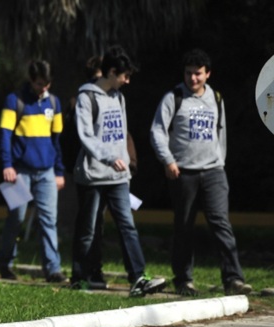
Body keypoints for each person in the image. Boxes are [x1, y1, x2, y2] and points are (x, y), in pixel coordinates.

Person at [148, 49, 252, 297]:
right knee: (184, 226)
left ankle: (233, 279)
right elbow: (157, 131)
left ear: (207, 74)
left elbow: (221, 132)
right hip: (183, 173)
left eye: (198, 74)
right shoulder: (174, 97)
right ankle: (184, 280)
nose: (193, 78)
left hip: (214, 171)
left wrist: (220, 162)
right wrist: (168, 160)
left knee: (221, 224)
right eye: (188, 73)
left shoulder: (216, 97)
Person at [69, 45, 166, 297]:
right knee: (88, 230)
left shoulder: (119, 97)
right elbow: (86, 136)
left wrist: (125, 164)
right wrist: (109, 158)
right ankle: (80, 277)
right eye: (125, 76)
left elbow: (121, 135)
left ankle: (138, 278)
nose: (127, 81)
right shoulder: (86, 97)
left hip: (119, 177)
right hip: (93, 176)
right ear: (111, 72)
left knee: (127, 225)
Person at [0, 60, 65, 282]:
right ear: (31, 80)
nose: (43, 88)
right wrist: (7, 164)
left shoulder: (54, 102)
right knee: (16, 218)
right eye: (39, 84)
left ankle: (53, 269)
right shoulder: (14, 100)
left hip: (47, 172)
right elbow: (4, 135)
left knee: (49, 220)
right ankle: (5, 264)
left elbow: (57, 141)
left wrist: (59, 171)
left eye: (47, 84)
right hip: (19, 170)